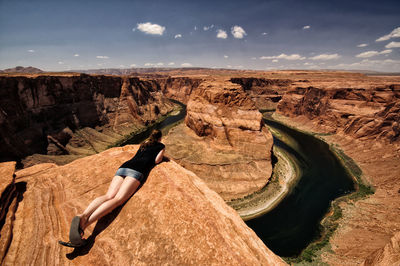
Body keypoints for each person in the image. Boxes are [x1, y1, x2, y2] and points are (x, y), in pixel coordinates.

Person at [63, 129, 165, 247]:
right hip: (137, 170)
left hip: (124, 167)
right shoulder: (161, 145)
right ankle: (83, 226)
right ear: (160, 138)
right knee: (117, 200)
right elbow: (157, 160)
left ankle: (83, 215)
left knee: (108, 196)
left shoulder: (144, 143)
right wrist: (162, 152)